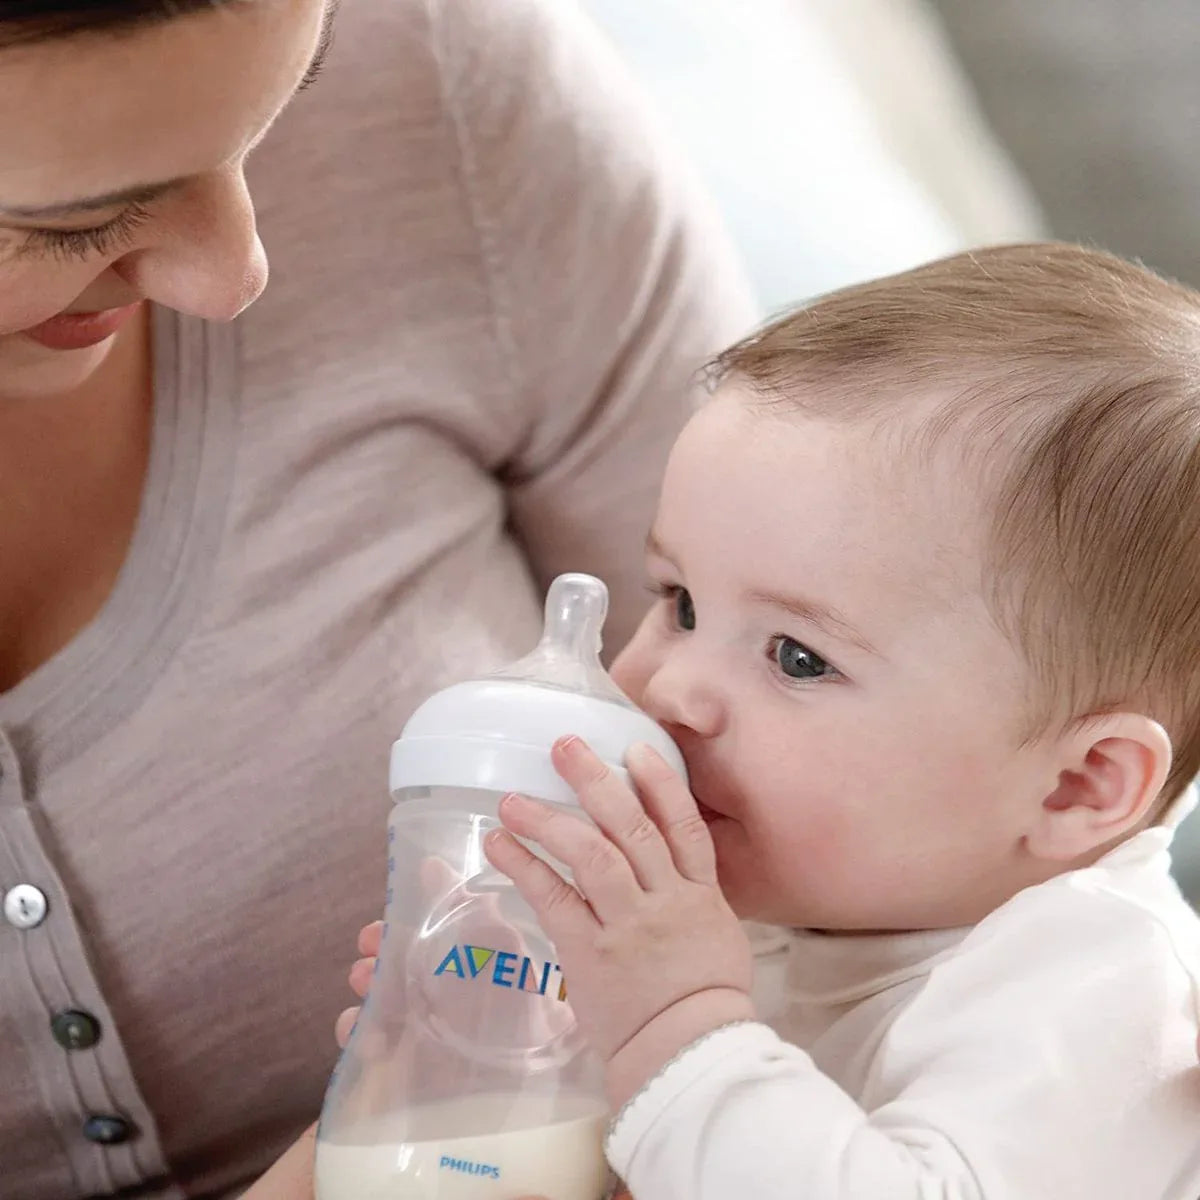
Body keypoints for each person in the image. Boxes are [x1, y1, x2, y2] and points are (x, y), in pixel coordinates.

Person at [0, 0, 754, 1197]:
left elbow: (853, 765)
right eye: (70, 221)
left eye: (273, 117)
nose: (234, 271)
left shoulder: (446, 86)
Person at [474, 243, 1200, 1198]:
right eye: (680, 601)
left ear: (1078, 785)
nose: (668, 688)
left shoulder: (1097, 985)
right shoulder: (809, 911)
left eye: (797, 657)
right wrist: (520, 1052)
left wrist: (672, 1024)